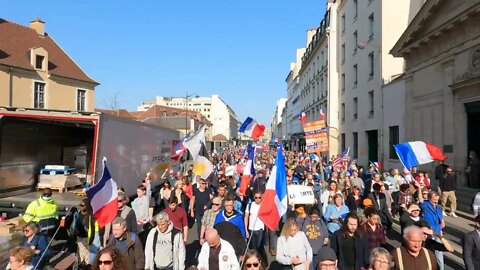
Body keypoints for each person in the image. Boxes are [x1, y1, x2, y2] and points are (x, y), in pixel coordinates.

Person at [70, 198, 100, 266]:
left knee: (87, 257)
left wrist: (91, 241)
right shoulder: (77, 214)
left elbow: (93, 229)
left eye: (82, 205)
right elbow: (73, 225)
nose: (80, 207)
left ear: (88, 206)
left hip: (87, 239)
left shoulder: (91, 216)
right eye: (80, 205)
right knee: (80, 256)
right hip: (79, 238)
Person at [244, 191, 267, 263]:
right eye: (256, 198)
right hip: (252, 229)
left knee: (260, 248)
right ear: (253, 198)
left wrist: (266, 230)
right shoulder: (250, 205)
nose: (257, 199)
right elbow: (246, 217)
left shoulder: (264, 206)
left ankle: (260, 262)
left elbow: (266, 218)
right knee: (253, 248)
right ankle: (254, 261)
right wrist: (246, 230)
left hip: (260, 229)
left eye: (259, 198)